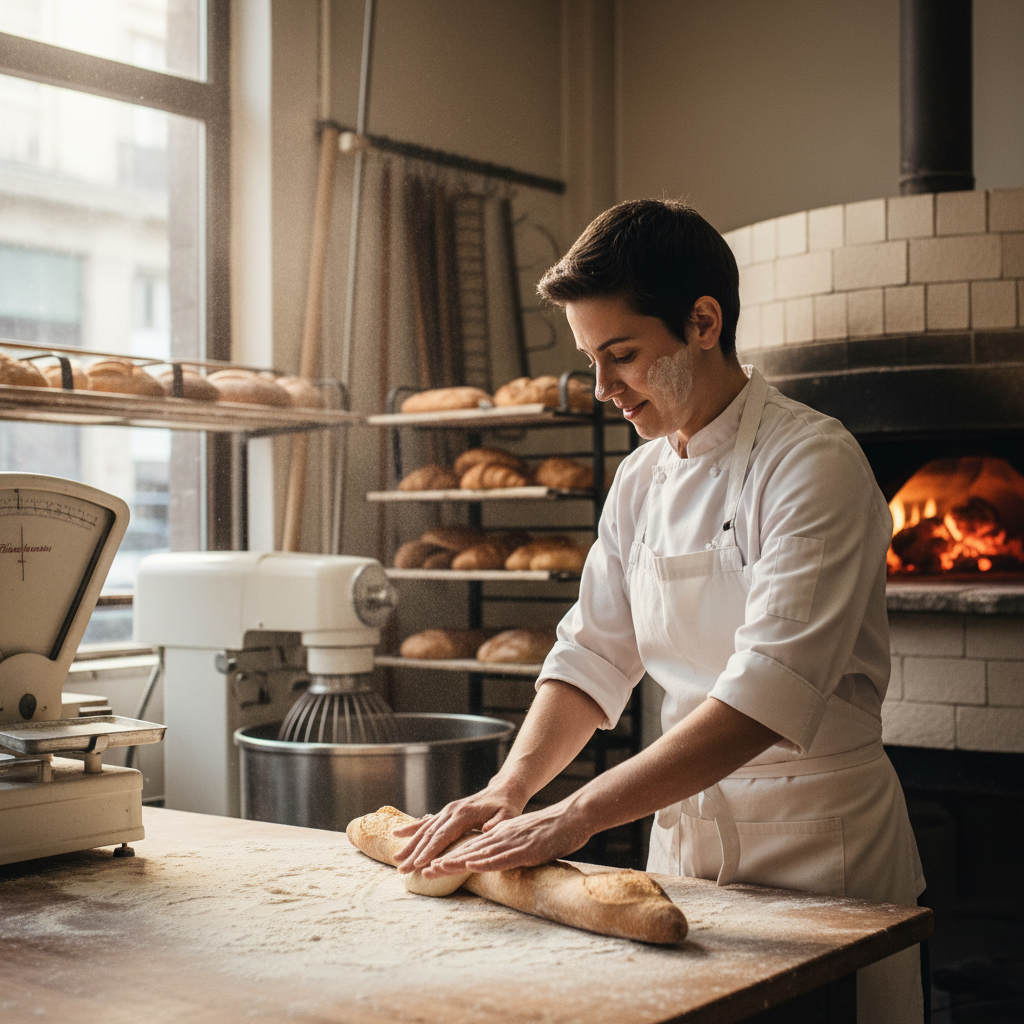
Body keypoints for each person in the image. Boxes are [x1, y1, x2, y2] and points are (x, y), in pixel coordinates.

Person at [394, 199, 925, 1023]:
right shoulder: (640, 481)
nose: (603, 388)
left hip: (820, 863)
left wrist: (574, 815)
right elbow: (589, 659)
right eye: (591, 360)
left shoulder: (811, 464)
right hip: (679, 855)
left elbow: (763, 698)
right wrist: (510, 790)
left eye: (623, 356)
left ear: (704, 322)